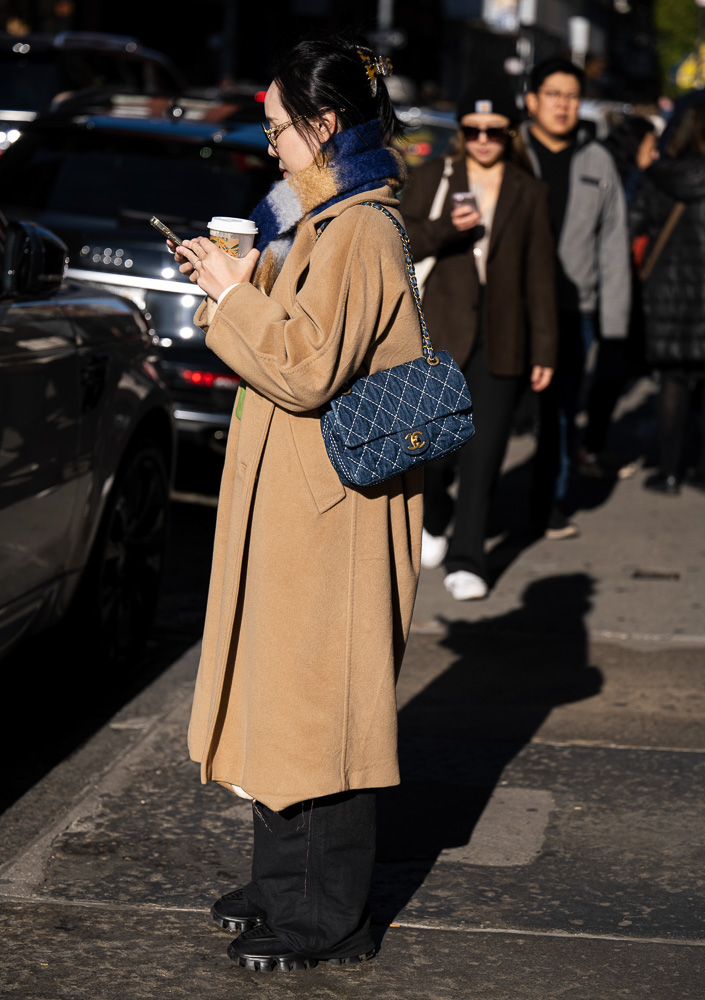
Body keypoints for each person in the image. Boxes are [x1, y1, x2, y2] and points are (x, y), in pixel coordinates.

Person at [172, 39, 423, 972]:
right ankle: (287, 888)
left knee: (326, 712)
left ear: (324, 128)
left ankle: (331, 918)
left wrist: (237, 293)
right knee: (287, 698)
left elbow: (308, 369)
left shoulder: (361, 228)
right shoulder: (319, 221)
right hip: (305, 507)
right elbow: (295, 343)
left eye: (281, 127)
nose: (270, 142)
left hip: (338, 512)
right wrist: (233, 282)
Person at [401, 76, 558, 599]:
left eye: (494, 129)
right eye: (473, 129)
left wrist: (545, 348)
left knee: (485, 452)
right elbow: (399, 241)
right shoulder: (432, 177)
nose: (483, 139)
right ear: (461, 131)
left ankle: (470, 556)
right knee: (437, 451)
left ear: (509, 130)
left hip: (504, 335)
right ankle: (436, 514)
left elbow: (540, 274)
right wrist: (448, 226)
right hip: (441, 333)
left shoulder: (528, 190)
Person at [522, 57, 631, 538]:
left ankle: (549, 502)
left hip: (574, 310)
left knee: (560, 413)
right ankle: (473, 506)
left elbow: (613, 245)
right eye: (553, 94)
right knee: (495, 410)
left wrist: (614, 327)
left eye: (571, 96)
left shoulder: (598, 161)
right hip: (512, 306)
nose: (563, 105)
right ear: (532, 100)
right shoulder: (510, 151)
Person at [630, 103, 705, 495]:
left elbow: (633, 226)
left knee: (673, 383)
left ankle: (667, 472)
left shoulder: (657, 179)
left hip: (666, 299)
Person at [578, 115, 659, 478]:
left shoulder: (628, 175)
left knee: (606, 370)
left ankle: (588, 447)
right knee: (604, 370)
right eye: (650, 146)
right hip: (604, 286)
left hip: (612, 287)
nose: (655, 154)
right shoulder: (621, 179)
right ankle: (587, 449)